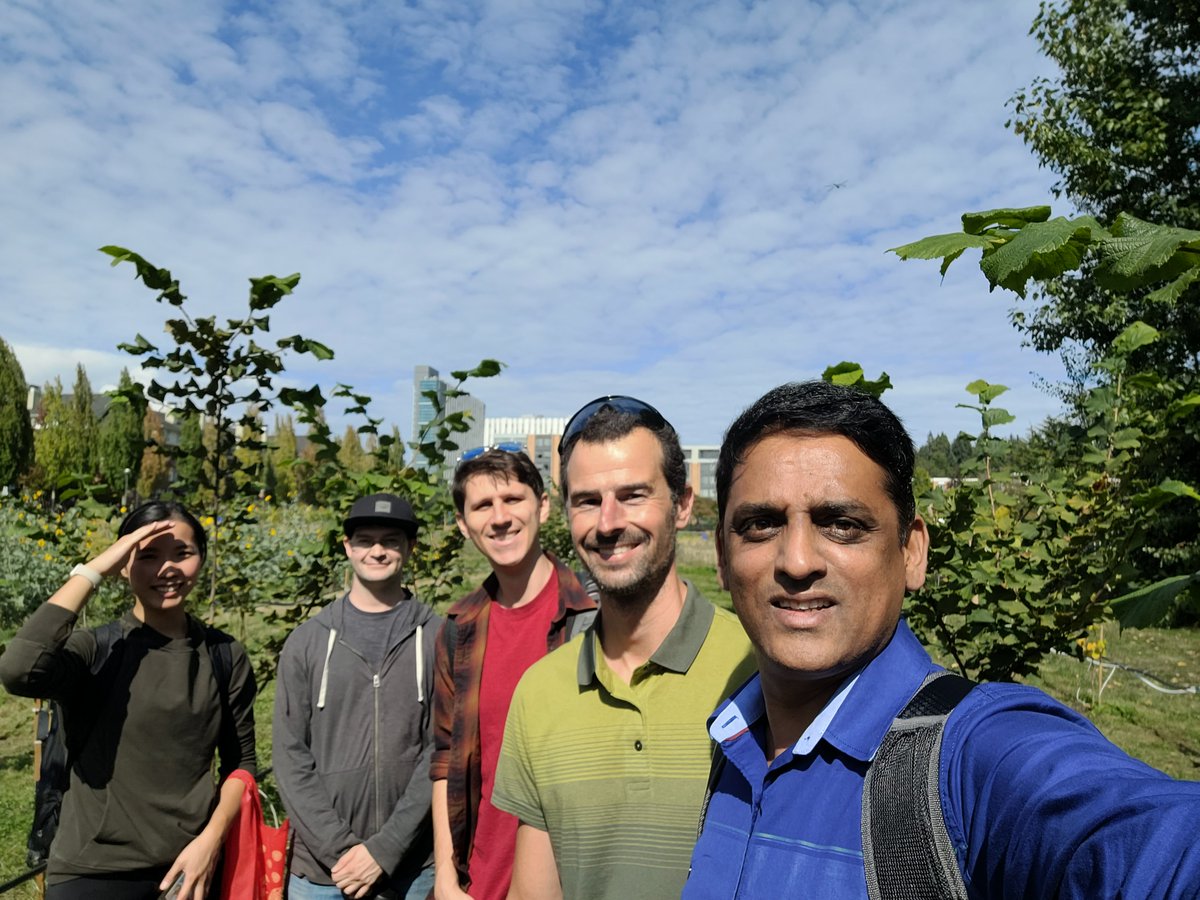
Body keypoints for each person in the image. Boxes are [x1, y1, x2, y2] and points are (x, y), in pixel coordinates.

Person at [684, 380, 1200, 899]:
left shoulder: (967, 758)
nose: (797, 561)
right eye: (760, 524)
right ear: (724, 560)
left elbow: (1149, 845)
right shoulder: (733, 742)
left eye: (842, 524)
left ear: (911, 553)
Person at [492, 396, 756, 900]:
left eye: (633, 495)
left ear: (681, 504)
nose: (608, 522)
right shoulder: (540, 691)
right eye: (587, 500)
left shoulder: (756, 667)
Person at [0, 501, 257, 900]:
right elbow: (19, 669)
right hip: (94, 872)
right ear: (123, 565)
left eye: (182, 554)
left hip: (189, 869)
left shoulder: (223, 655)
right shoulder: (97, 650)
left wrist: (210, 842)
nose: (167, 569)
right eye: (148, 555)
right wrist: (94, 569)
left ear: (202, 559)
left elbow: (241, 764)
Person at [430, 445, 599, 900]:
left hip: (567, 880)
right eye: (482, 506)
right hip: (479, 880)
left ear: (543, 506)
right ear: (465, 526)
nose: (500, 517)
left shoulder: (593, 617)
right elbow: (445, 758)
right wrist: (446, 877)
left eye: (513, 500)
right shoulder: (459, 630)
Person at [274, 493, 440, 899]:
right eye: (365, 540)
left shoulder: (438, 637)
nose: (377, 551)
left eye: (391, 540)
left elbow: (441, 749)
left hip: (411, 870)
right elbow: (289, 757)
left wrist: (384, 851)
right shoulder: (307, 642)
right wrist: (345, 853)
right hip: (322, 873)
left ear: (409, 548)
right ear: (348, 547)